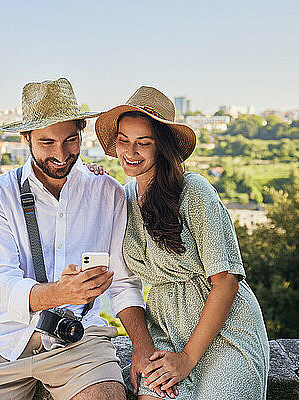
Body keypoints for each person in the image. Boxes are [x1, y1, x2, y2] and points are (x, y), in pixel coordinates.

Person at [0, 78, 149, 400]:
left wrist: (142, 348)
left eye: (70, 140)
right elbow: (1, 284)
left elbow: (124, 284)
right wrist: (60, 293)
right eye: (46, 143)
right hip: (5, 338)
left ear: (82, 132)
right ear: (26, 138)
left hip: (80, 339)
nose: (61, 154)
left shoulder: (107, 192)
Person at [94, 86, 270, 399]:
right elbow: (122, 282)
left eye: (143, 143)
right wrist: (88, 178)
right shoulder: (123, 199)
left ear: (162, 147)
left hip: (223, 330)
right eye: (123, 141)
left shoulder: (194, 191)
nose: (130, 152)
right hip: (165, 331)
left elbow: (226, 280)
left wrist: (187, 359)